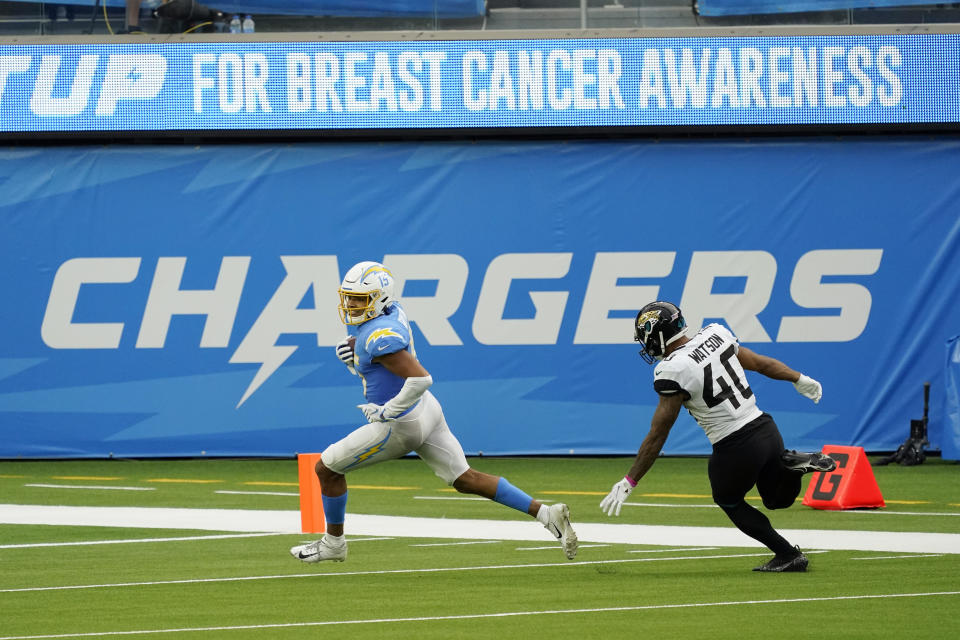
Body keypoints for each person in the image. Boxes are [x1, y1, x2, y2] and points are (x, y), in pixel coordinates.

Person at [290, 261, 578, 563]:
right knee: (466, 478)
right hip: (426, 409)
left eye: (359, 299)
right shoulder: (391, 313)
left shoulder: (379, 337)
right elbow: (382, 369)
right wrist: (354, 356)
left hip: (401, 423)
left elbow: (420, 377)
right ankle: (547, 513)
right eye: (349, 297)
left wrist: (389, 411)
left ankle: (334, 544)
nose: (350, 305)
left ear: (380, 298)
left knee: (327, 468)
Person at [599, 301, 836, 573]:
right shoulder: (716, 334)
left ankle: (787, 554)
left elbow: (658, 433)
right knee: (775, 500)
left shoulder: (672, 369)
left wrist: (630, 480)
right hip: (765, 428)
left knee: (728, 500)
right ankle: (792, 468)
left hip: (735, 445)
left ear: (658, 334)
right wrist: (798, 378)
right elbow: (760, 364)